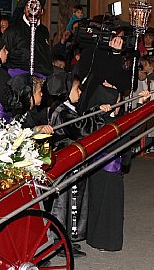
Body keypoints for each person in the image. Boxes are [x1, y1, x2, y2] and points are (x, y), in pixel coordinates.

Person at [47, 72, 113, 257]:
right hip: (66, 162)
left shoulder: (67, 109)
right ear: (66, 91)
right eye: (77, 88)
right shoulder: (62, 112)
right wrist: (98, 114)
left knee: (73, 201)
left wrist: (96, 110)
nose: (80, 91)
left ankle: (67, 237)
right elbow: (82, 129)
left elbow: (81, 120)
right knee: (64, 203)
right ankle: (60, 241)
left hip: (72, 160)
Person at [86, 85, 151, 252]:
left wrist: (141, 104)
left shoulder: (104, 120)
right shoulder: (107, 122)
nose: (120, 104)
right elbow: (133, 126)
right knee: (108, 206)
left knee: (100, 204)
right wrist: (141, 105)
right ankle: (105, 241)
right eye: (118, 101)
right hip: (109, 170)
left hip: (97, 169)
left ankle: (96, 238)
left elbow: (131, 124)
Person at [3, 0, 52, 77]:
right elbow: (4, 56)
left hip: (42, 75)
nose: (33, 10)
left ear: (42, 11)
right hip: (19, 76)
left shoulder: (44, 30)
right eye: (30, 6)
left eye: (37, 7)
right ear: (24, 9)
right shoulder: (12, 30)